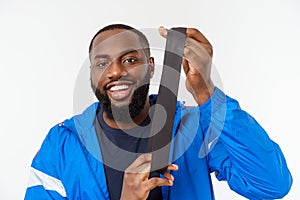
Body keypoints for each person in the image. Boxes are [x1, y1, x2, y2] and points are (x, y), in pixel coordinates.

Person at [25, 24, 292, 200]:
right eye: (102, 63)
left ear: (151, 67)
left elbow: (271, 184)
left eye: (130, 60)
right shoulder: (61, 144)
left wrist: (206, 91)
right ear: (93, 75)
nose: (116, 71)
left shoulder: (192, 126)